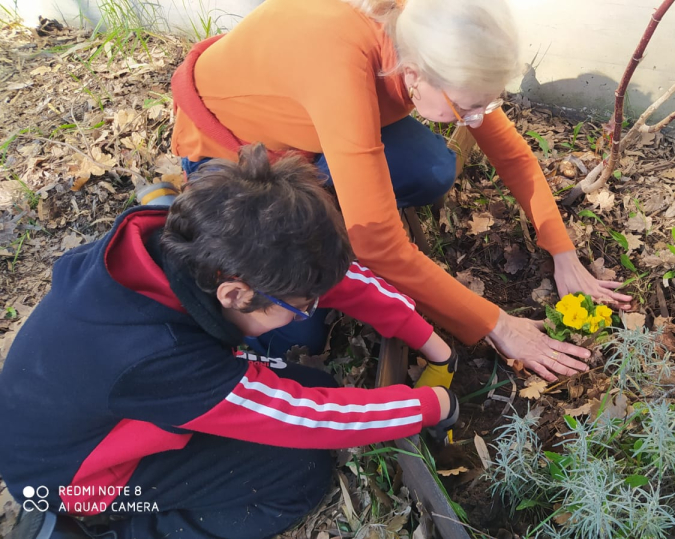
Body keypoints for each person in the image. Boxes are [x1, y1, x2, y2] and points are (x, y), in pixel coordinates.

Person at [0, 145, 459, 539]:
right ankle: (107, 530)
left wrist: (433, 344)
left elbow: (332, 279)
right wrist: (431, 407)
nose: (311, 311)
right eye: (303, 307)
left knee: (312, 384)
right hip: (73, 480)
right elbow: (302, 418)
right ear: (235, 295)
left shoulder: (194, 237)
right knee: (297, 474)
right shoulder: (160, 355)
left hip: (103, 415)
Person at [169, 0, 633, 383]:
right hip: (233, 153)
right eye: (466, 109)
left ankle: (340, 194)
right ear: (412, 75)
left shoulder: (429, 33)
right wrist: (497, 324)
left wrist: (562, 251)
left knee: (431, 167)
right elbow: (379, 245)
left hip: (313, 124)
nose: (477, 120)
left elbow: (511, 155)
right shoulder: (341, 63)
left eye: (486, 104)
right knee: (295, 329)